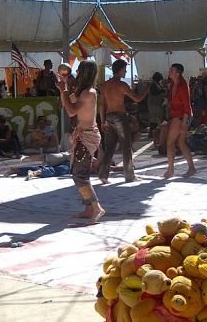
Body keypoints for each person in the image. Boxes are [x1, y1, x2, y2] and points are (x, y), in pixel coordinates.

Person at [57, 59, 105, 222]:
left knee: (80, 174)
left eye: (79, 71)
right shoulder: (84, 92)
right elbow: (67, 101)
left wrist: (64, 90)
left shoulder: (88, 93)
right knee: (79, 173)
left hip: (87, 136)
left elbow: (70, 111)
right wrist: (64, 87)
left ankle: (96, 207)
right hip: (85, 134)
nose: (76, 73)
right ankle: (88, 208)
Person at [98, 59, 149, 184]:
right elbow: (137, 99)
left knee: (109, 147)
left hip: (108, 116)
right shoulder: (122, 85)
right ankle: (129, 175)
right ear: (120, 70)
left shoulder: (105, 85)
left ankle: (103, 174)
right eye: (124, 70)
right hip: (120, 116)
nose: (125, 72)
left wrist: (102, 120)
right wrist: (146, 91)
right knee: (126, 146)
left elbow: (102, 105)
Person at [163, 63, 196, 179]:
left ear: (178, 73)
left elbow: (187, 105)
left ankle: (171, 170)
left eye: (172, 70)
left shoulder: (182, 85)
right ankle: (191, 168)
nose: (170, 71)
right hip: (178, 116)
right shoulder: (173, 84)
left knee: (170, 143)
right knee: (181, 143)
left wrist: (184, 122)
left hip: (181, 116)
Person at [147, 72, 166, 138]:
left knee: (156, 118)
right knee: (154, 118)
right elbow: (155, 92)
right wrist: (163, 91)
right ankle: (152, 133)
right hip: (153, 104)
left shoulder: (157, 84)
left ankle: (154, 133)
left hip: (156, 104)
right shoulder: (153, 84)